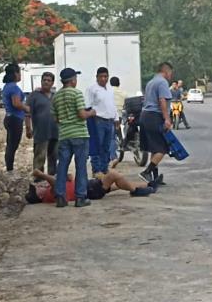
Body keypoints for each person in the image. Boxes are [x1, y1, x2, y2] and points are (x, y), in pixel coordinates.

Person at [51, 68, 96, 208]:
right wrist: (91, 113)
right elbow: (82, 115)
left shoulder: (56, 97)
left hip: (64, 135)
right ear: (72, 80)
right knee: (81, 166)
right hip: (79, 134)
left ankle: (60, 197)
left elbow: (55, 118)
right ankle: (80, 197)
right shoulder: (77, 93)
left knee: (62, 166)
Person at [25, 168, 156, 204]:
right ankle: (135, 191)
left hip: (88, 185)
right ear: (39, 195)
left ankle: (147, 185)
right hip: (90, 190)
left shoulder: (50, 191)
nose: (40, 186)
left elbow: (66, 179)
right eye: (37, 188)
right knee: (114, 175)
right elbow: (55, 182)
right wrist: (41, 175)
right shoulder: (49, 195)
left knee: (119, 184)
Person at [139, 62, 174, 184]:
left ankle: (155, 177)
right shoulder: (162, 82)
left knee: (155, 147)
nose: (171, 75)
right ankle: (147, 172)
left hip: (145, 116)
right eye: (170, 73)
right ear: (166, 71)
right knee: (162, 148)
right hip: (155, 116)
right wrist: (167, 119)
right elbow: (162, 101)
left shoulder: (151, 82)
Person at [85, 67, 120, 176]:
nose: (104, 79)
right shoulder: (92, 89)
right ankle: (96, 170)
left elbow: (112, 105)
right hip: (98, 121)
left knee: (107, 146)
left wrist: (116, 118)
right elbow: (87, 105)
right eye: (101, 76)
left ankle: (104, 168)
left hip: (109, 121)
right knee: (97, 146)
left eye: (106, 76)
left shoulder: (109, 89)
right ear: (97, 77)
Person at [25, 72, 59, 176]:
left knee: (54, 157)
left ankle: (52, 179)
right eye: (44, 80)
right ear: (41, 81)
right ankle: (38, 179)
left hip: (55, 132)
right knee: (40, 157)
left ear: (52, 83)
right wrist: (28, 128)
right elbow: (27, 113)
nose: (46, 82)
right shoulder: (34, 96)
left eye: (49, 80)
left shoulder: (55, 96)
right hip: (40, 132)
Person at [2, 64, 30, 174]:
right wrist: (27, 108)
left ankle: (9, 167)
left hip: (9, 117)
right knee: (13, 145)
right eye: (19, 72)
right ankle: (10, 170)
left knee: (10, 144)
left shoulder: (7, 86)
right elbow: (16, 103)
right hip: (15, 119)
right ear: (15, 74)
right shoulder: (14, 87)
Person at [109, 76, 127, 165]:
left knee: (111, 137)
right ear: (118, 83)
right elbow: (126, 105)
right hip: (119, 116)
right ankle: (122, 142)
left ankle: (113, 157)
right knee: (116, 133)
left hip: (110, 116)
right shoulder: (123, 93)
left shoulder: (108, 92)